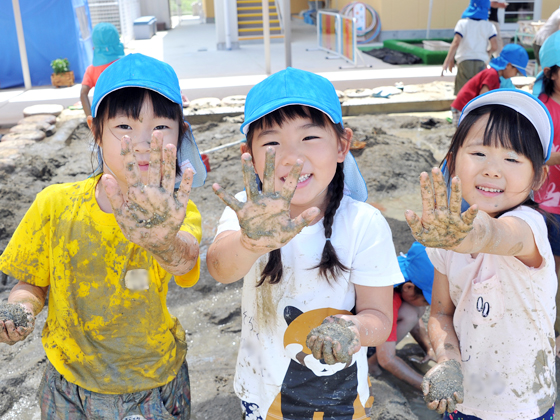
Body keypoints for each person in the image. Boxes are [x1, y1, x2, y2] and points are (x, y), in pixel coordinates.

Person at [0, 53, 207, 419]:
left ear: (181, 134)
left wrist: (162, 241)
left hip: (151, 381)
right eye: (124, 126)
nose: (142, 142)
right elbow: (31, 283)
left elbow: (186, 260)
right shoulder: (55, 205)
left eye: (160, 127)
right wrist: (23, 308)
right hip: (68, 384)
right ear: (96, 131)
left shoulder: (177, 212)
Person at [206, 67, 404, 420]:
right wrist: (251, 242)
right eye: (271, 142)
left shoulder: (364, 223)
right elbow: (220, 268)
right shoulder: (246, 211)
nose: (291, 158)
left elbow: (379, 319)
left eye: (309, 137)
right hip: (263, 392)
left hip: (342, 398)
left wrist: (354, 328)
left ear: (343, 144)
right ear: (248, 154)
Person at [405, 89, 556, 419]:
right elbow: (442, 314)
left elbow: (497, 235)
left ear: (538, 176)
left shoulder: (529, 228)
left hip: (523, 404)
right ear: (451, 160)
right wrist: (448, 363)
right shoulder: (443, 240)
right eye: (478, 153)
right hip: (464, 401)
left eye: (512, 159)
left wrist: (464, 236)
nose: (492, 170)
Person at [367, 241, 435, 391]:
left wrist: (428, 348)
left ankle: (374, 355)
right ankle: (370, 363)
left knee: (415, 310)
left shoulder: (400, 273)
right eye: (426, 299)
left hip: (374, 323)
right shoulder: (386, 300)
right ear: (408, 287)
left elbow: (417, 322)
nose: (428, 304)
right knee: (411, 313)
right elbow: (388, 360)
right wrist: (430, 388)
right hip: (358, 333)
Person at [532, 30, 560, 354]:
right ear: (550, 72)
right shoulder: (539, 109)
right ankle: (543, 331)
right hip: (544, 205)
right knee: (545, 269)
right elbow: (525, 154)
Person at [450, 43, 529, 126]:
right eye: (516, 72)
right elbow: (484, 96)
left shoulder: (496, 76)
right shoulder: (492, 74)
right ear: (508, 65)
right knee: (463, 136)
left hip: (467, 108)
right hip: (463, 108)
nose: (515, 75)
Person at [442, 0, 498, 95]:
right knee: (477, 92)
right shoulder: (489, 26)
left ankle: (461, 109)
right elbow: (494, 46)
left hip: (465, 61)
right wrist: (487, 54)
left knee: (463, 93)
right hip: (481, 61)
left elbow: (456, 43)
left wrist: (447, 61)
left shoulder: (462, 23)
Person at [80, 22, 124, 117]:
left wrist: (90, 117)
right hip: (129, 114)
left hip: (105, 117)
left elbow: (83, 93)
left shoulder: (91, 70)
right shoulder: (126, 64)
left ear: (94, 46)